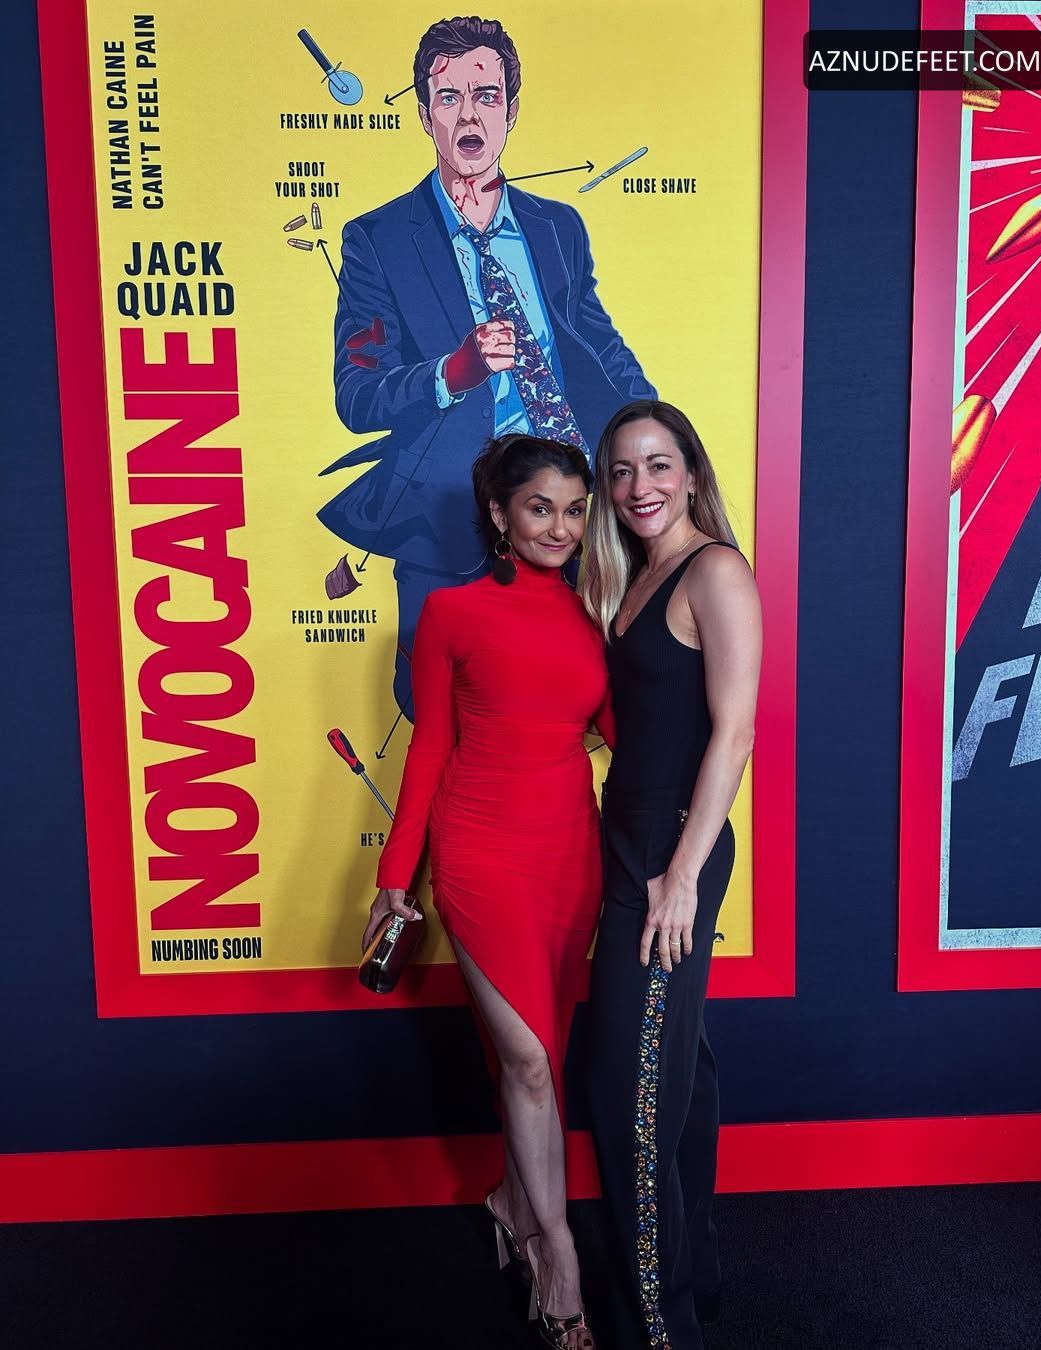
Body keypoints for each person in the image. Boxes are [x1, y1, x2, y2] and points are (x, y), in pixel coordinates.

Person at [318, 15, 655, 717]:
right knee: (439, 710)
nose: (469, 115)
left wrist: (656, 436)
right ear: (424, 115)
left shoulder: (558, 227)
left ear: (511, 109)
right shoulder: (378, 240)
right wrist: (452, 372)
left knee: (585, 702)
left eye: (487, 95)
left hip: (572, 506)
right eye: (449, 97)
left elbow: (600, 348)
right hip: (448, 515)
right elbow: (358, 395)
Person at [363, 435, 612, 1348]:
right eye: (541, 507)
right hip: (479, 853)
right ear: (501, 515)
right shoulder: (451, 612)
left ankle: (511, 1200)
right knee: (530, 1062)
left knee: (542, 1057)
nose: (560, 527)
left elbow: (625, 734)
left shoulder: (599, 615)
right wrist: (395, 878)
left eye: (576, 510)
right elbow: (428, 745)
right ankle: (559, 1258)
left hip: (570, 858)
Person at [580, 401, 761, 1350]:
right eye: (621, 470)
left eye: (657, 465)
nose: (638, 486)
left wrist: (682, 873)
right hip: (630, 841)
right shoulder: (634, 575)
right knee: (676, 1073)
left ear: (691, 471)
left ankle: (659, 1331)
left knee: (631, 1099)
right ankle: (698, 1287)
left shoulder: (714, 570)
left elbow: (734, 731)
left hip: (670, 851)